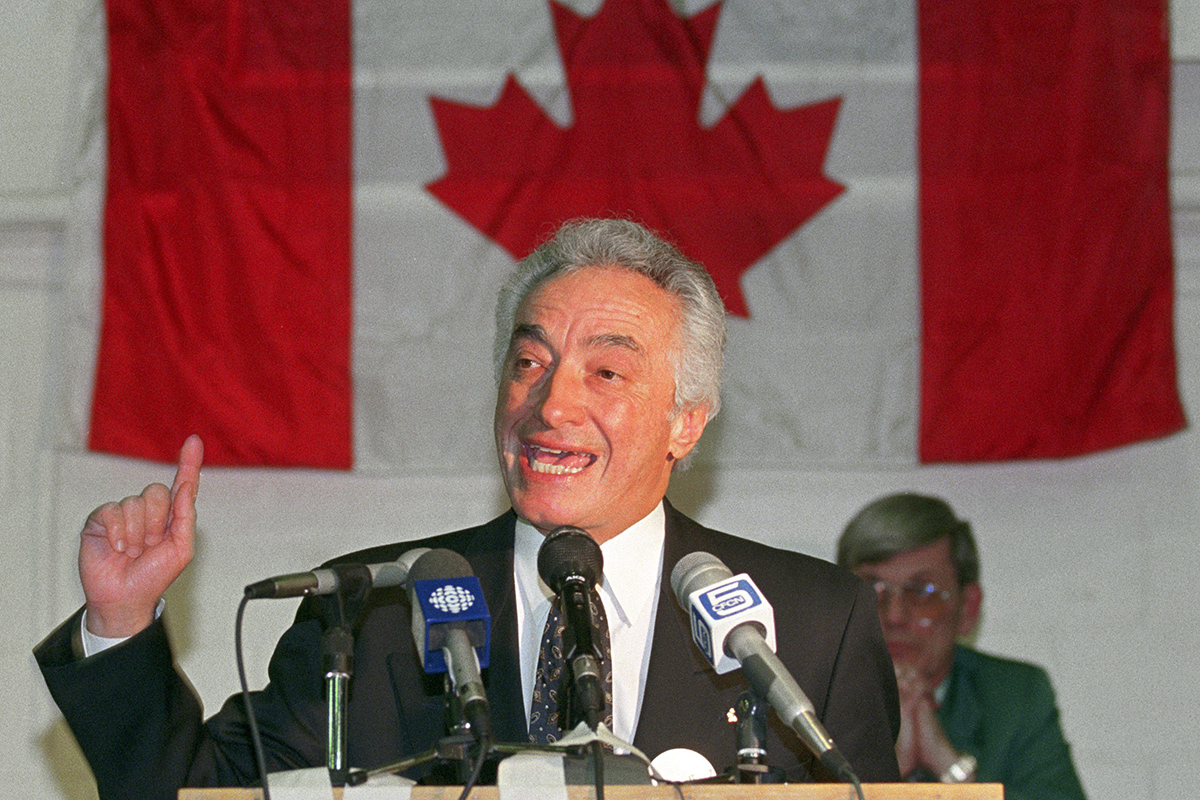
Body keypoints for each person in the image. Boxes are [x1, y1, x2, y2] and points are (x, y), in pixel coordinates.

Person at [36, 218, 900, 799]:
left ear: (686, 420)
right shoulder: (377, 612)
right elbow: (195, 795)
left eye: (605, 371)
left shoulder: (809, 626)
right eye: (529, 363)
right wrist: (121, 622)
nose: (550, 405)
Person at [837, 492, 1087, 800]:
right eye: (871, 590)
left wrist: (949, 767)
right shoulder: (799, 696)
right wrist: (889, 773)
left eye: (922, 591)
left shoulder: (1015, 695)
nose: (894, 615)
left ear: (967, 609)